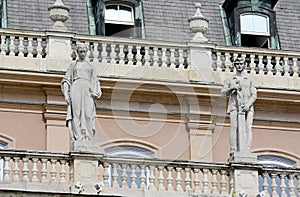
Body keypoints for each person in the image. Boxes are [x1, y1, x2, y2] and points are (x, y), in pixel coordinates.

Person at [61, 43, 102, 142]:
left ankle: (87, 137)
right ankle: (78, 137)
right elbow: (66, 80)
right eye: (80, 52)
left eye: (84, 52)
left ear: (87, 52)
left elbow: (95, 80)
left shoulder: (91, 66)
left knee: (88, 114)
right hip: (76, 87)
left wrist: (98, 90)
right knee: (76, 113)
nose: (82, 54)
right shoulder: (73, 65)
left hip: (88, 90)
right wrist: (66, 95)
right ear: (77, 52)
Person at [221, 57, 257, 153]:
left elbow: (254, 95)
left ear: (244, 65)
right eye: (237, 64)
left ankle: (246, 149)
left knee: (247, 127)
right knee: (234, 127)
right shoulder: (230, 80)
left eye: (241, 64)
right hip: (234, 105)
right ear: (235, 65)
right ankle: (233, 149)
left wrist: (248, 105)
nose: (239, 66)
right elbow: (223, 93)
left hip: (247, 107)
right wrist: (232, 87)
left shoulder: (250, 80)